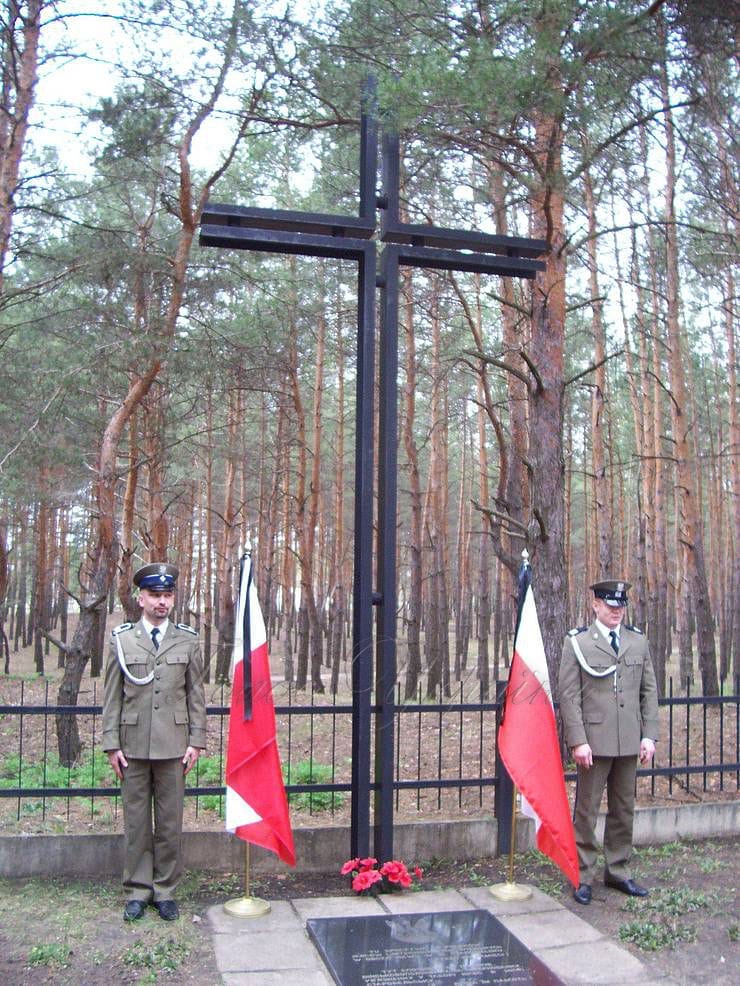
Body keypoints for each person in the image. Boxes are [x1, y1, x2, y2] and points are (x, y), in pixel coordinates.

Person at [103, 562, 206, 922]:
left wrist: (197, 740)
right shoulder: (122, 638)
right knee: (136, 822)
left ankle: (165, 891)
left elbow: (196, 694)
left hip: (174, 745)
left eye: (167, 595)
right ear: (140, 597)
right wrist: (111, 744)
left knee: (169, 822)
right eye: (155, 595)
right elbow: (112, 696)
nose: (162, 602)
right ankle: (137, 891)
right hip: (131, 745)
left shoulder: (187, 639)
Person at [558, 579, 659, 906]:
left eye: (621, 606)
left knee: (623, 809)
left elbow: (648, 691)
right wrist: (578, 741)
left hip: (629, 740)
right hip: (594, 742)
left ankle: (617, 870)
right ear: (596, 605)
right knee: (586, 811)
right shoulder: (579, 643)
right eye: (610, 606)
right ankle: (582, 875)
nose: (616, 611)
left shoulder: (637, 641)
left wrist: (649, 735)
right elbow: (569, 696)